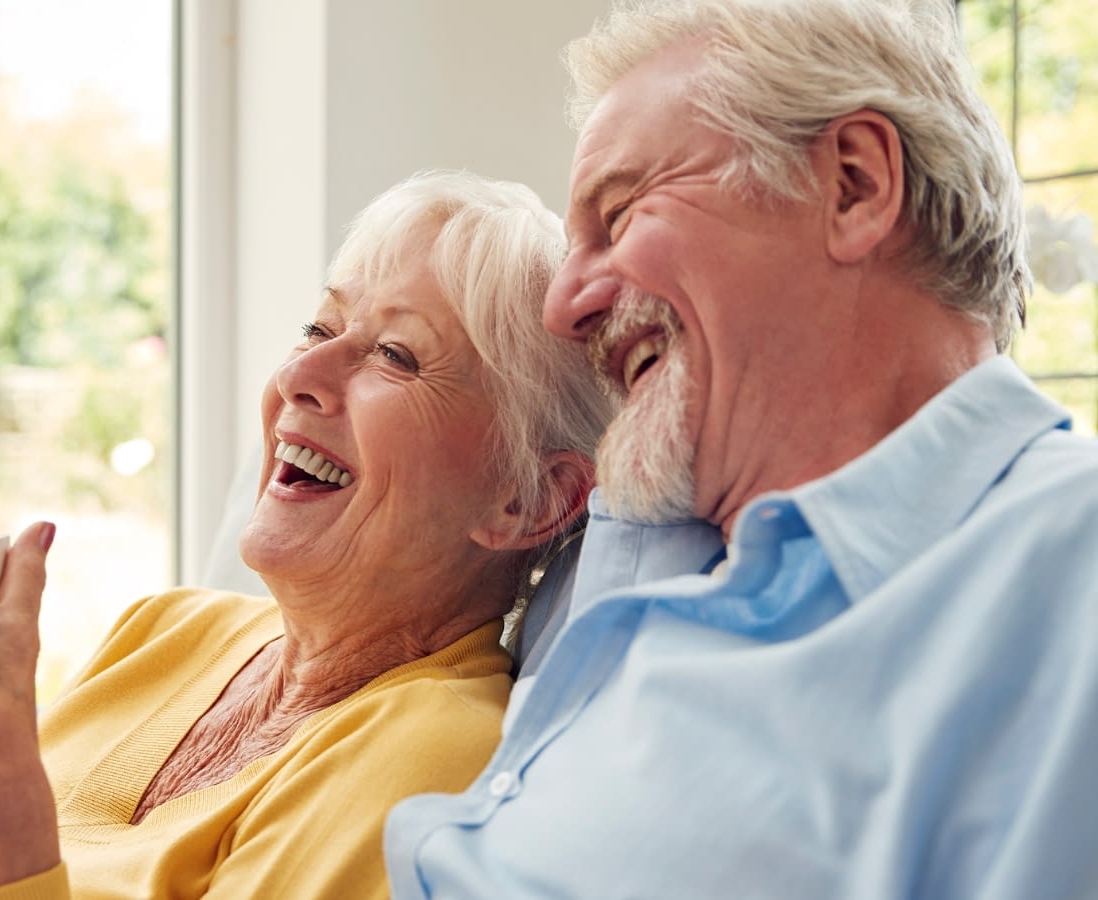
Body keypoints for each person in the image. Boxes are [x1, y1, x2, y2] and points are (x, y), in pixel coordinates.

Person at [385, 1, 1098, 897]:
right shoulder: (644, 536)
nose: (561, 307)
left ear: (854, 185)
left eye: (621, 213)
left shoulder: (1065, 573)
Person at [0, 169, 617, 899]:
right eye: (320, 329)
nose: (298, 376)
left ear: (528, 501)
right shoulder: (166, 629)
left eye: (395, 356)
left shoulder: (433, 757)